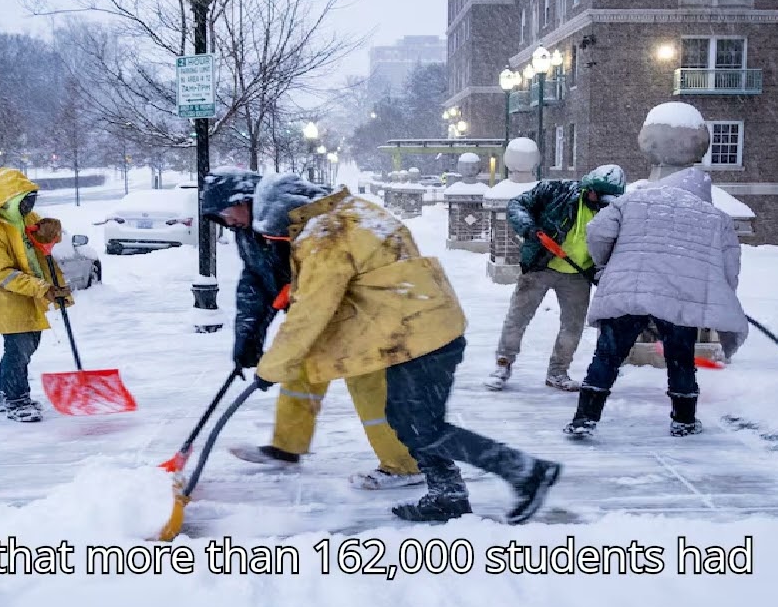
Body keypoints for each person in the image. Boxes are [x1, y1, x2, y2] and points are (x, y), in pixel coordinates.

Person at [249, 174, 562, 523]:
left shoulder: (327, 233)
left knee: (421, 426)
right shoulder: (355, 211)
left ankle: (527, 472)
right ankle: (447, 493)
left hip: (415, 334)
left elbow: (310, 311)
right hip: (420, 325)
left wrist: (271, 368)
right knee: (408, 420)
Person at [199, 168, 424, 490]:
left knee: (367, 379)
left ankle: (405, 464)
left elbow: (317, 286)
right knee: (302, 371)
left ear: (244, 200)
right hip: (317, 309)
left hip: (356, 309)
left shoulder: (299, 219)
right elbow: (255, 282)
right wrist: (248, 336)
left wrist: (276, 358)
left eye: (226, 212)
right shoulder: (248, 231)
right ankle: (286, 448)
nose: (227, 221)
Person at [563, 166, 747, 438]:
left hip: (628, 289)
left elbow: (598, 231)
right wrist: (721, 293)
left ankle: (584, 418)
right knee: (681, 358)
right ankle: (684, 420)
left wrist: (607, 265)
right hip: (680, 297)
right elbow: (730, 265)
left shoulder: (633, 201)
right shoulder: (715, 217)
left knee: (608, 355)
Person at [484, 165, 628, 392]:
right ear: (589, 188)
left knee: (573, 326)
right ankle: (503, 365)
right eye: (599, 196)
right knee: (518, 318)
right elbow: (517, 205)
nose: (602, 202)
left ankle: (558, 372)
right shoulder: (557, 191)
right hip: (541, 266)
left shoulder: (612, 211)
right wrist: (529, 228)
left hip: (578, 275)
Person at [0, 167, 71, 423]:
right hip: (3, 296)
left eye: (32, 199)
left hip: (28, 291)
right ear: (7, 199)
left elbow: (41, 249)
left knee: (28, 344)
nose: (30, 205)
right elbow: (3, 274)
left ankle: (0, 393)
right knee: (18, 348)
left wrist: (53, 233)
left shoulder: (27, 218)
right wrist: (43, 288)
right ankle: (17, 401)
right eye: (25, 200)